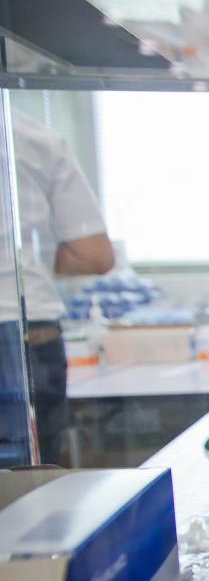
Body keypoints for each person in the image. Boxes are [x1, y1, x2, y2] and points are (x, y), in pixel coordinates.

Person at [0, 114, 114, 467]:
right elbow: (94, 255)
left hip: (23, 330)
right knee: (25, 495)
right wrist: (26, 259)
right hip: (24, 325)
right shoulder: (32, 137)